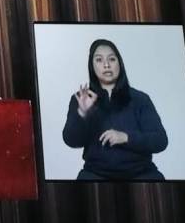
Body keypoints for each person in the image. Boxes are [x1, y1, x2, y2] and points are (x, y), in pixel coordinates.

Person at [62, 39, 168, 180]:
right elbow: (71, 141)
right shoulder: (82, 98)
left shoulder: (140, 99)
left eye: (111, 59)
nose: (106, 65)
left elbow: (160, 140)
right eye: (99, 60)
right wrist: (82, 113)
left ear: (120, 63)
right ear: (92, 66)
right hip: (96, 174)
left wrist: (126, 138)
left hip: (141, 173)